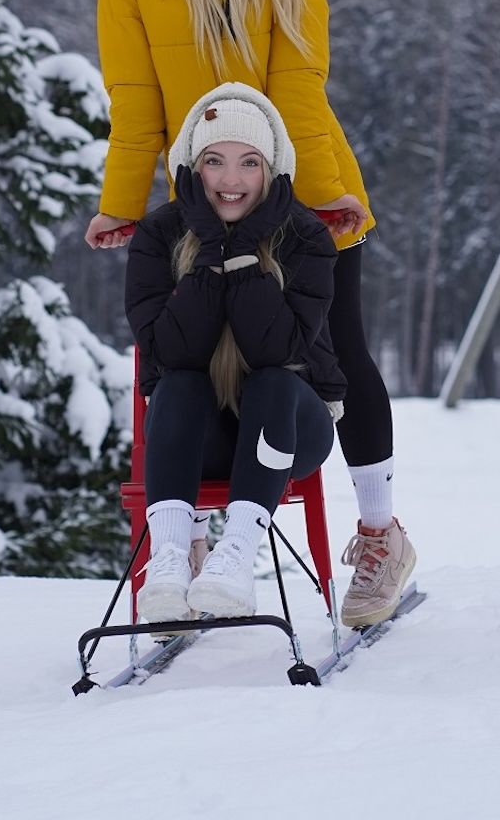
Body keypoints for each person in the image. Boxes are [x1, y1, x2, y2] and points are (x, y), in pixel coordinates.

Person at [83, 0, 414, 627]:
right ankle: (187, 532)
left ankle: (381, 537)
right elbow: (135, 103)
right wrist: (123, 204)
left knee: (339, 349)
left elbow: (301, 86)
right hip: (202, 201)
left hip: (301, 190)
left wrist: (323, 199)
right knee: (190, 360)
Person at [128, 85, 342, 622]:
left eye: (249, 163)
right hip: (199, 440)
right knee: (177, 383)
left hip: (290, 433)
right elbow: (169, 354)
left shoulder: (305, 237)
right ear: (192, 168)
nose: (231, 180)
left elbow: (280, 350)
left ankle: (237, 556)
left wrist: (244, 256)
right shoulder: (161, 234)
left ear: (271, 170)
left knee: (272, 379)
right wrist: (207, 250)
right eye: (214, 162)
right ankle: (172, 559)